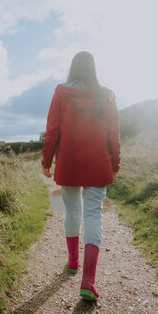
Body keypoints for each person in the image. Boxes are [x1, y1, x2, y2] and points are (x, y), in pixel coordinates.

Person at [41, 51, 121, 301]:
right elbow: (114, 133)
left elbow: (52, 131)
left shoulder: (61, 92)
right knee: (94, 214)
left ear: (73, 68)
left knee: (72, 212)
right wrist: (115, 162)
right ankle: (88, 280)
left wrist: (46, 162)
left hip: (70, 163)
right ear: (94, 69)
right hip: (98, 164)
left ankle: (73, 262)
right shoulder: (106, 95)